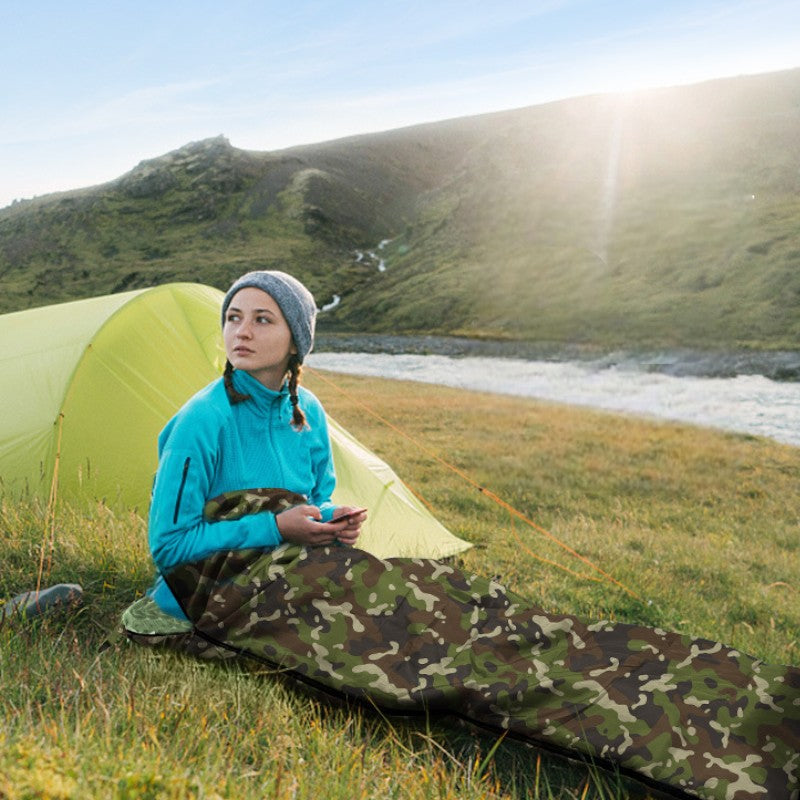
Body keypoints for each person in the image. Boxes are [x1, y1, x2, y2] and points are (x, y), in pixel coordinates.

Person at [144, 270, 366, 622]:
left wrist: (330, 520)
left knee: (389, 602)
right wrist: (275, 528)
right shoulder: (202, 419)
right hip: (206, 590)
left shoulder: (307, 411)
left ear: (295, 342)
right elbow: (170, 547)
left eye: (262, 320)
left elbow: (315, 499)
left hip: (288, 573)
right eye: (234, 318)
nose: (242, 332)